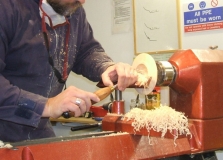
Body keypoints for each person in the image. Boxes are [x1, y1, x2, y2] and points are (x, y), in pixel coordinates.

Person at [0, 0, 138, 142]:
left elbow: (86, 51)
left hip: (37, 131)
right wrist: (47, 105)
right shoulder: (7, 7)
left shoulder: (73, 10)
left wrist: (107, 67)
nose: (82, 1)